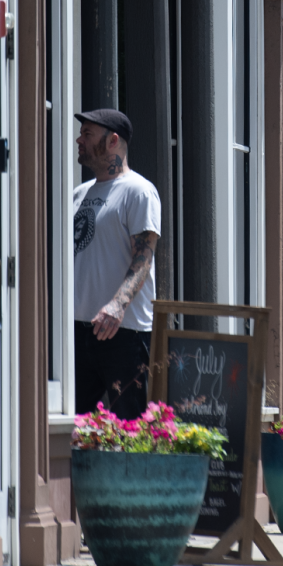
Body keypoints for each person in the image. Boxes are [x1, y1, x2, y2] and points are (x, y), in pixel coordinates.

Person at [72, 108, 160, 419]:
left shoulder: (138, 191)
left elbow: (144, 256)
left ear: (112, 141)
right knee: (73, 428)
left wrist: (118, 305)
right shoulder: (78, 195)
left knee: (131, 425)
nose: (78, 140)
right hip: (78, 331)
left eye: (87, 134)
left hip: (124, 333)